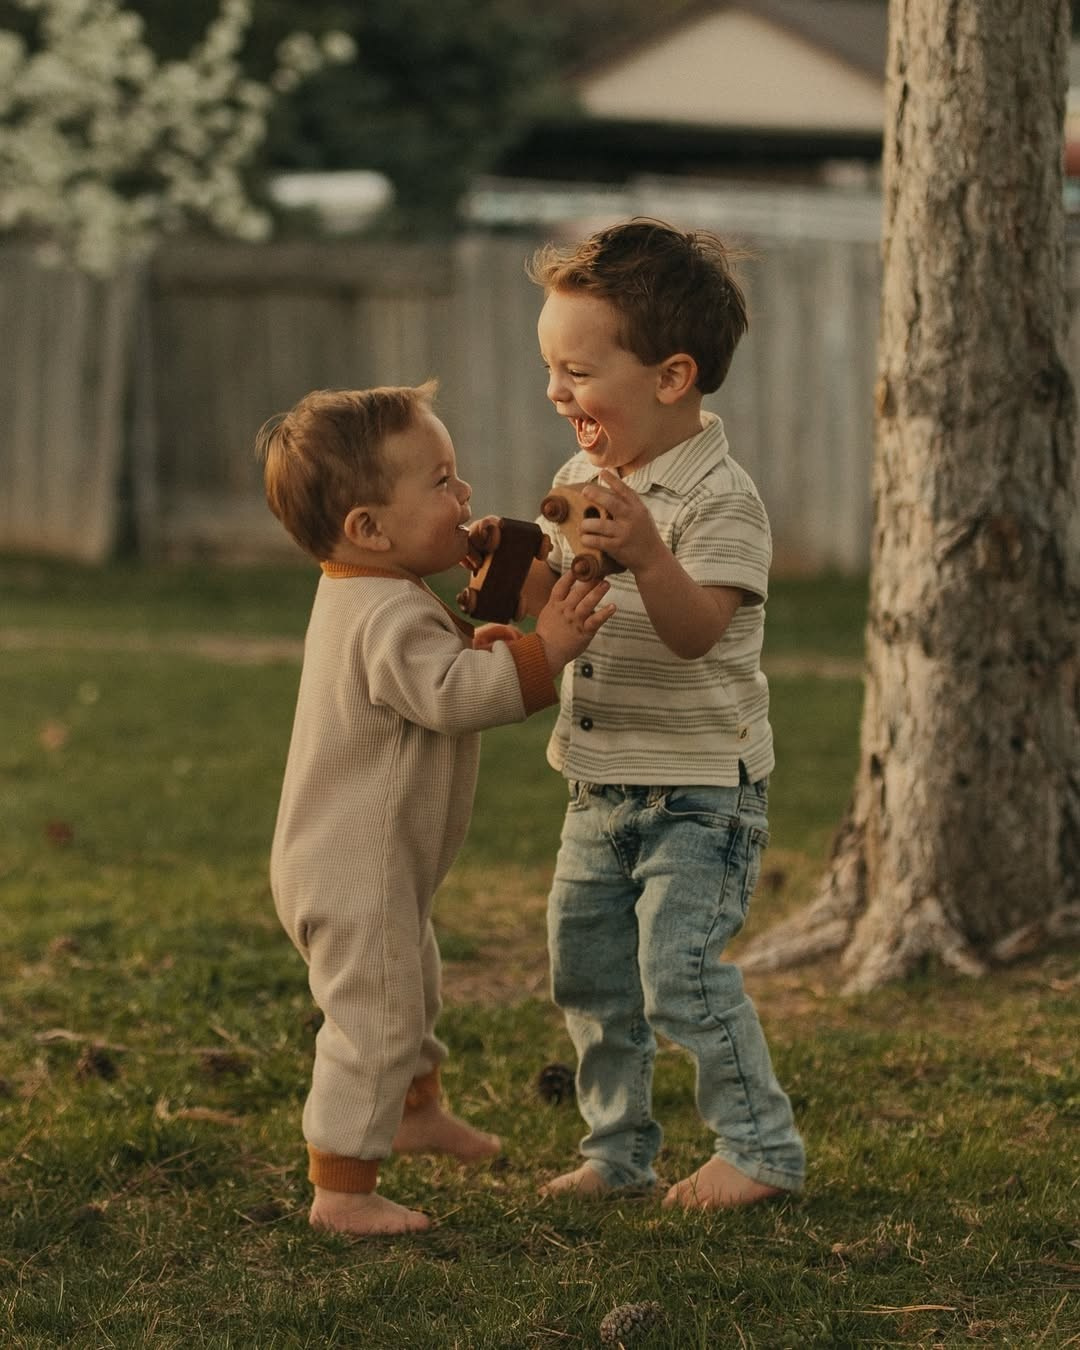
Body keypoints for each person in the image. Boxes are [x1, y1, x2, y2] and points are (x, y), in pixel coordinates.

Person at [257, 381, 615, 1237]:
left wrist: (487, 634)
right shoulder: (384, 612)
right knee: (375, 1017)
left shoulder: (370, 592)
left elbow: (429, 680)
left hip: (361, 865)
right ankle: (342, 1188)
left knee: (408, 990)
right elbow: (453, 697)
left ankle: (415, 1113)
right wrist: (546, 650)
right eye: (441, 481)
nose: (464, 494)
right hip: (352, 873)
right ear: (369, 529)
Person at [518, 218, 806, 1209]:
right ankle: (618, 1154)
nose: (557, 393)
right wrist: (502, 567)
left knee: (679, 975)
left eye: (577, 372)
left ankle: (760, 1149)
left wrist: (647, 553)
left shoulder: (722, 500)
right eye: (551, 371)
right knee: (590, 976)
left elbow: (695, 633)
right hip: (596, 785)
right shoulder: (578, 484)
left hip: (699, 794)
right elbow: (558, 600)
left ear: (672, 376)